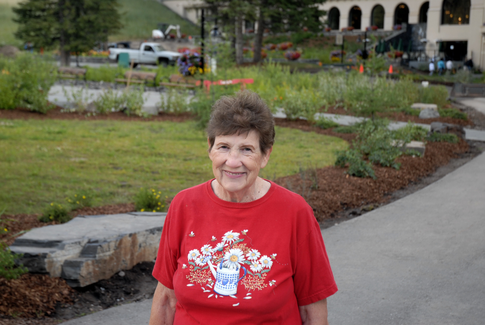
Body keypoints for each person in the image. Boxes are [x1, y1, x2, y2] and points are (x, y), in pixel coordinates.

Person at [149, 90, 338, 324]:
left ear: (265, 155)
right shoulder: (184, 205)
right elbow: (166, 299)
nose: (233, 161)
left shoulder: (294, 212)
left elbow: (312, 307)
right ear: (210, 148)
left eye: (246, 149)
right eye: (224, 147)